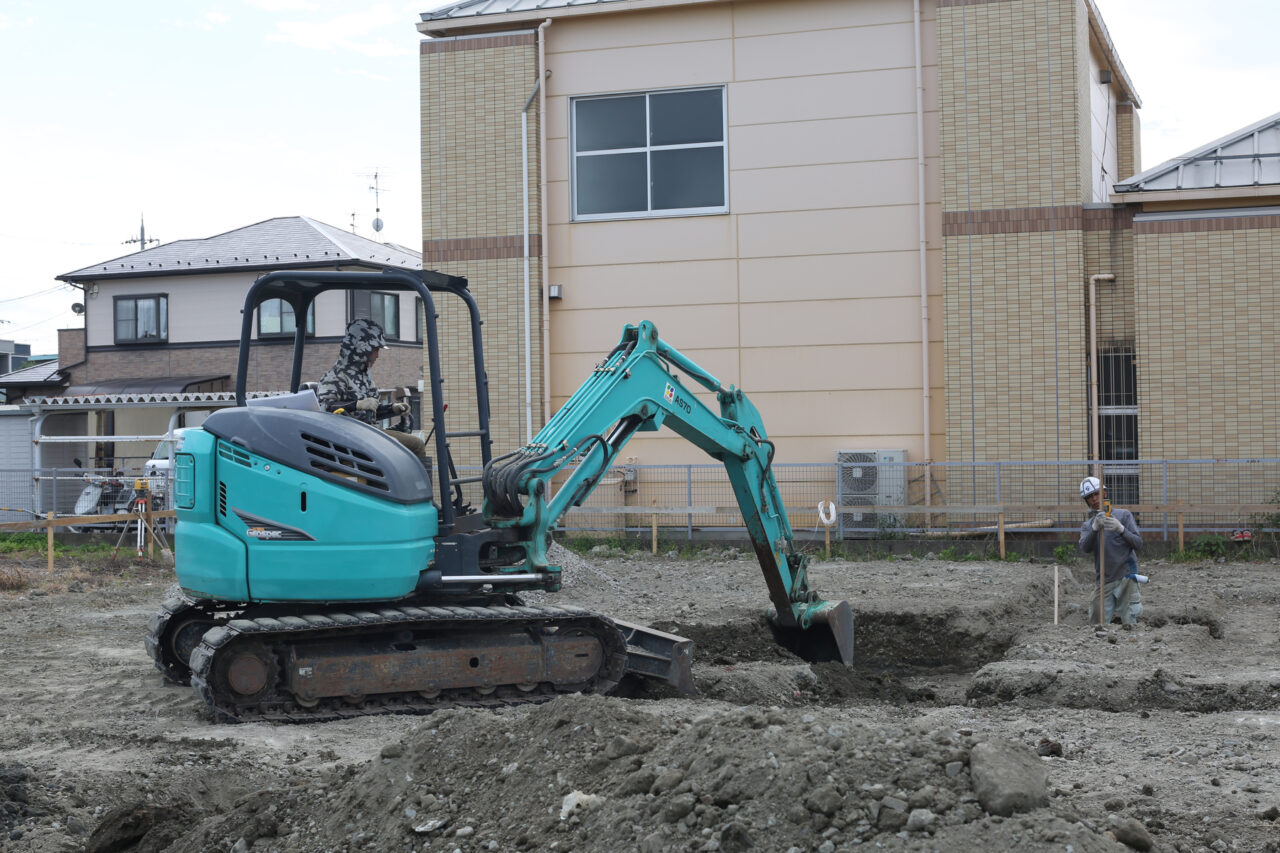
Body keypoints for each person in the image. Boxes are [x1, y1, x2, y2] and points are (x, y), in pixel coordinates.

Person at [317, 318, 429, 467]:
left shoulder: (365, 379)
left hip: (369, 433)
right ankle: (385, 489)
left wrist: (392, 409)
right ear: (362, 349)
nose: (378, 355)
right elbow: (325, 408)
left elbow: (370, 412)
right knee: (396, 447)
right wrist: (357, 404)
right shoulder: (335, 377)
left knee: (416, 444)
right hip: (349, 438)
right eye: (375, 349)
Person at [1077, 476, 1144, 625]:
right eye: (1089, 497)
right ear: (1086, 501)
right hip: (1104, 580)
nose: (1094, 499)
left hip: (1127, 577)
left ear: (1105, 493)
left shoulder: (1123, 515)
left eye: (1097, 494)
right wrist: (1095, 528)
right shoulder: (1088, 526)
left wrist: (1121, 529)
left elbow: (1138, 544)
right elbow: (1084, 548)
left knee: (1130, 622)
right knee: (1096, 623)